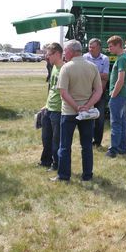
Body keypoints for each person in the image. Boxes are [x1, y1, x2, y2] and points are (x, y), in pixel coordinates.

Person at [54, 40, 102, 183]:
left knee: (65, 146)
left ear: (72, 51)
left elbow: (63, 93)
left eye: (65, 51)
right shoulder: (92, 67)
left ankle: (63, 176)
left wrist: (76, 107)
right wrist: (87, 106)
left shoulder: (66, 67)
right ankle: (87, 175)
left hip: (69, 112)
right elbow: (99, 90)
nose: (64, 54)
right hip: (87, 113)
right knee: (87, 146)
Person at [38, 43, 64, 171]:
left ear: (57, 54)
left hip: (58, 110)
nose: (47, 57)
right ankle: (45, 161)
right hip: (49, 108)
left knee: (56, 140)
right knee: (46, 138)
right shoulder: (53, 67)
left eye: (49, 54)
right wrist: (46, 105)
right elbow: (52, 89)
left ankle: (57, 164)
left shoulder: (64, 70)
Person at [105, 35, 126, 158]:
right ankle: (122, 148)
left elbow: (120, 80)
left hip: (119, 95)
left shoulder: (121, 59)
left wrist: (113, 96)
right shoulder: (123, 58)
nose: (109, 49)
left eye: (111, 46)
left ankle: (113, 150)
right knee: (121, 121)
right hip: (122, 94)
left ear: (118, 45)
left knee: (115, 122)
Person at [83, 38, 110, 148]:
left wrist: (98, 93)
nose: (90, 49)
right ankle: (87, 140)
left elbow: (106, 77)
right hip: (86, 92)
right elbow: (83, 74)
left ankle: (97, 142)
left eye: (93, 47)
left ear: (99, 48)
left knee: (99, 118)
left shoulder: (105, 59)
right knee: (86, 117)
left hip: (100, 92)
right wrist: (98, 74)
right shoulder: (84, 57)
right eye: (89, 46)